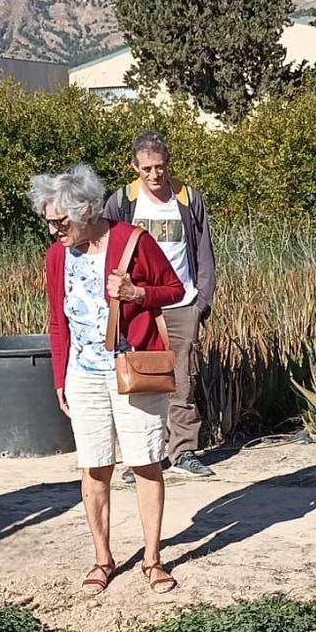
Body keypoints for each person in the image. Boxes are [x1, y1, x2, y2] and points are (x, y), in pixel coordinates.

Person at [35, 163, 183, 595]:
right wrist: (59, 377)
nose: (55, 232)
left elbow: (174, 290)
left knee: (144, 463)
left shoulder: (133, 242)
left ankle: (153, 559)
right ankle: (103, 559)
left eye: (60, 223)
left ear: (84, 212)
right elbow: (57, 320)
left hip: (133, 370)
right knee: (94, 467)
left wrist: (139, 294)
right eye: (49, 224)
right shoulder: (57, 255)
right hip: (83, 375)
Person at [103, 129, 218, 481]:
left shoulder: (187, 199)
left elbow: (203, 251)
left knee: (183, 378)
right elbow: (107, 248)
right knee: (141, 378)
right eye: (148, 168)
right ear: (134, 167)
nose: (156, 175)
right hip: (137, 304)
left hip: (181, 300)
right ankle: (144, 456)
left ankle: (183, 450)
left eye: (161, 167)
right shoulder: (122, 202)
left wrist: (202, 299)